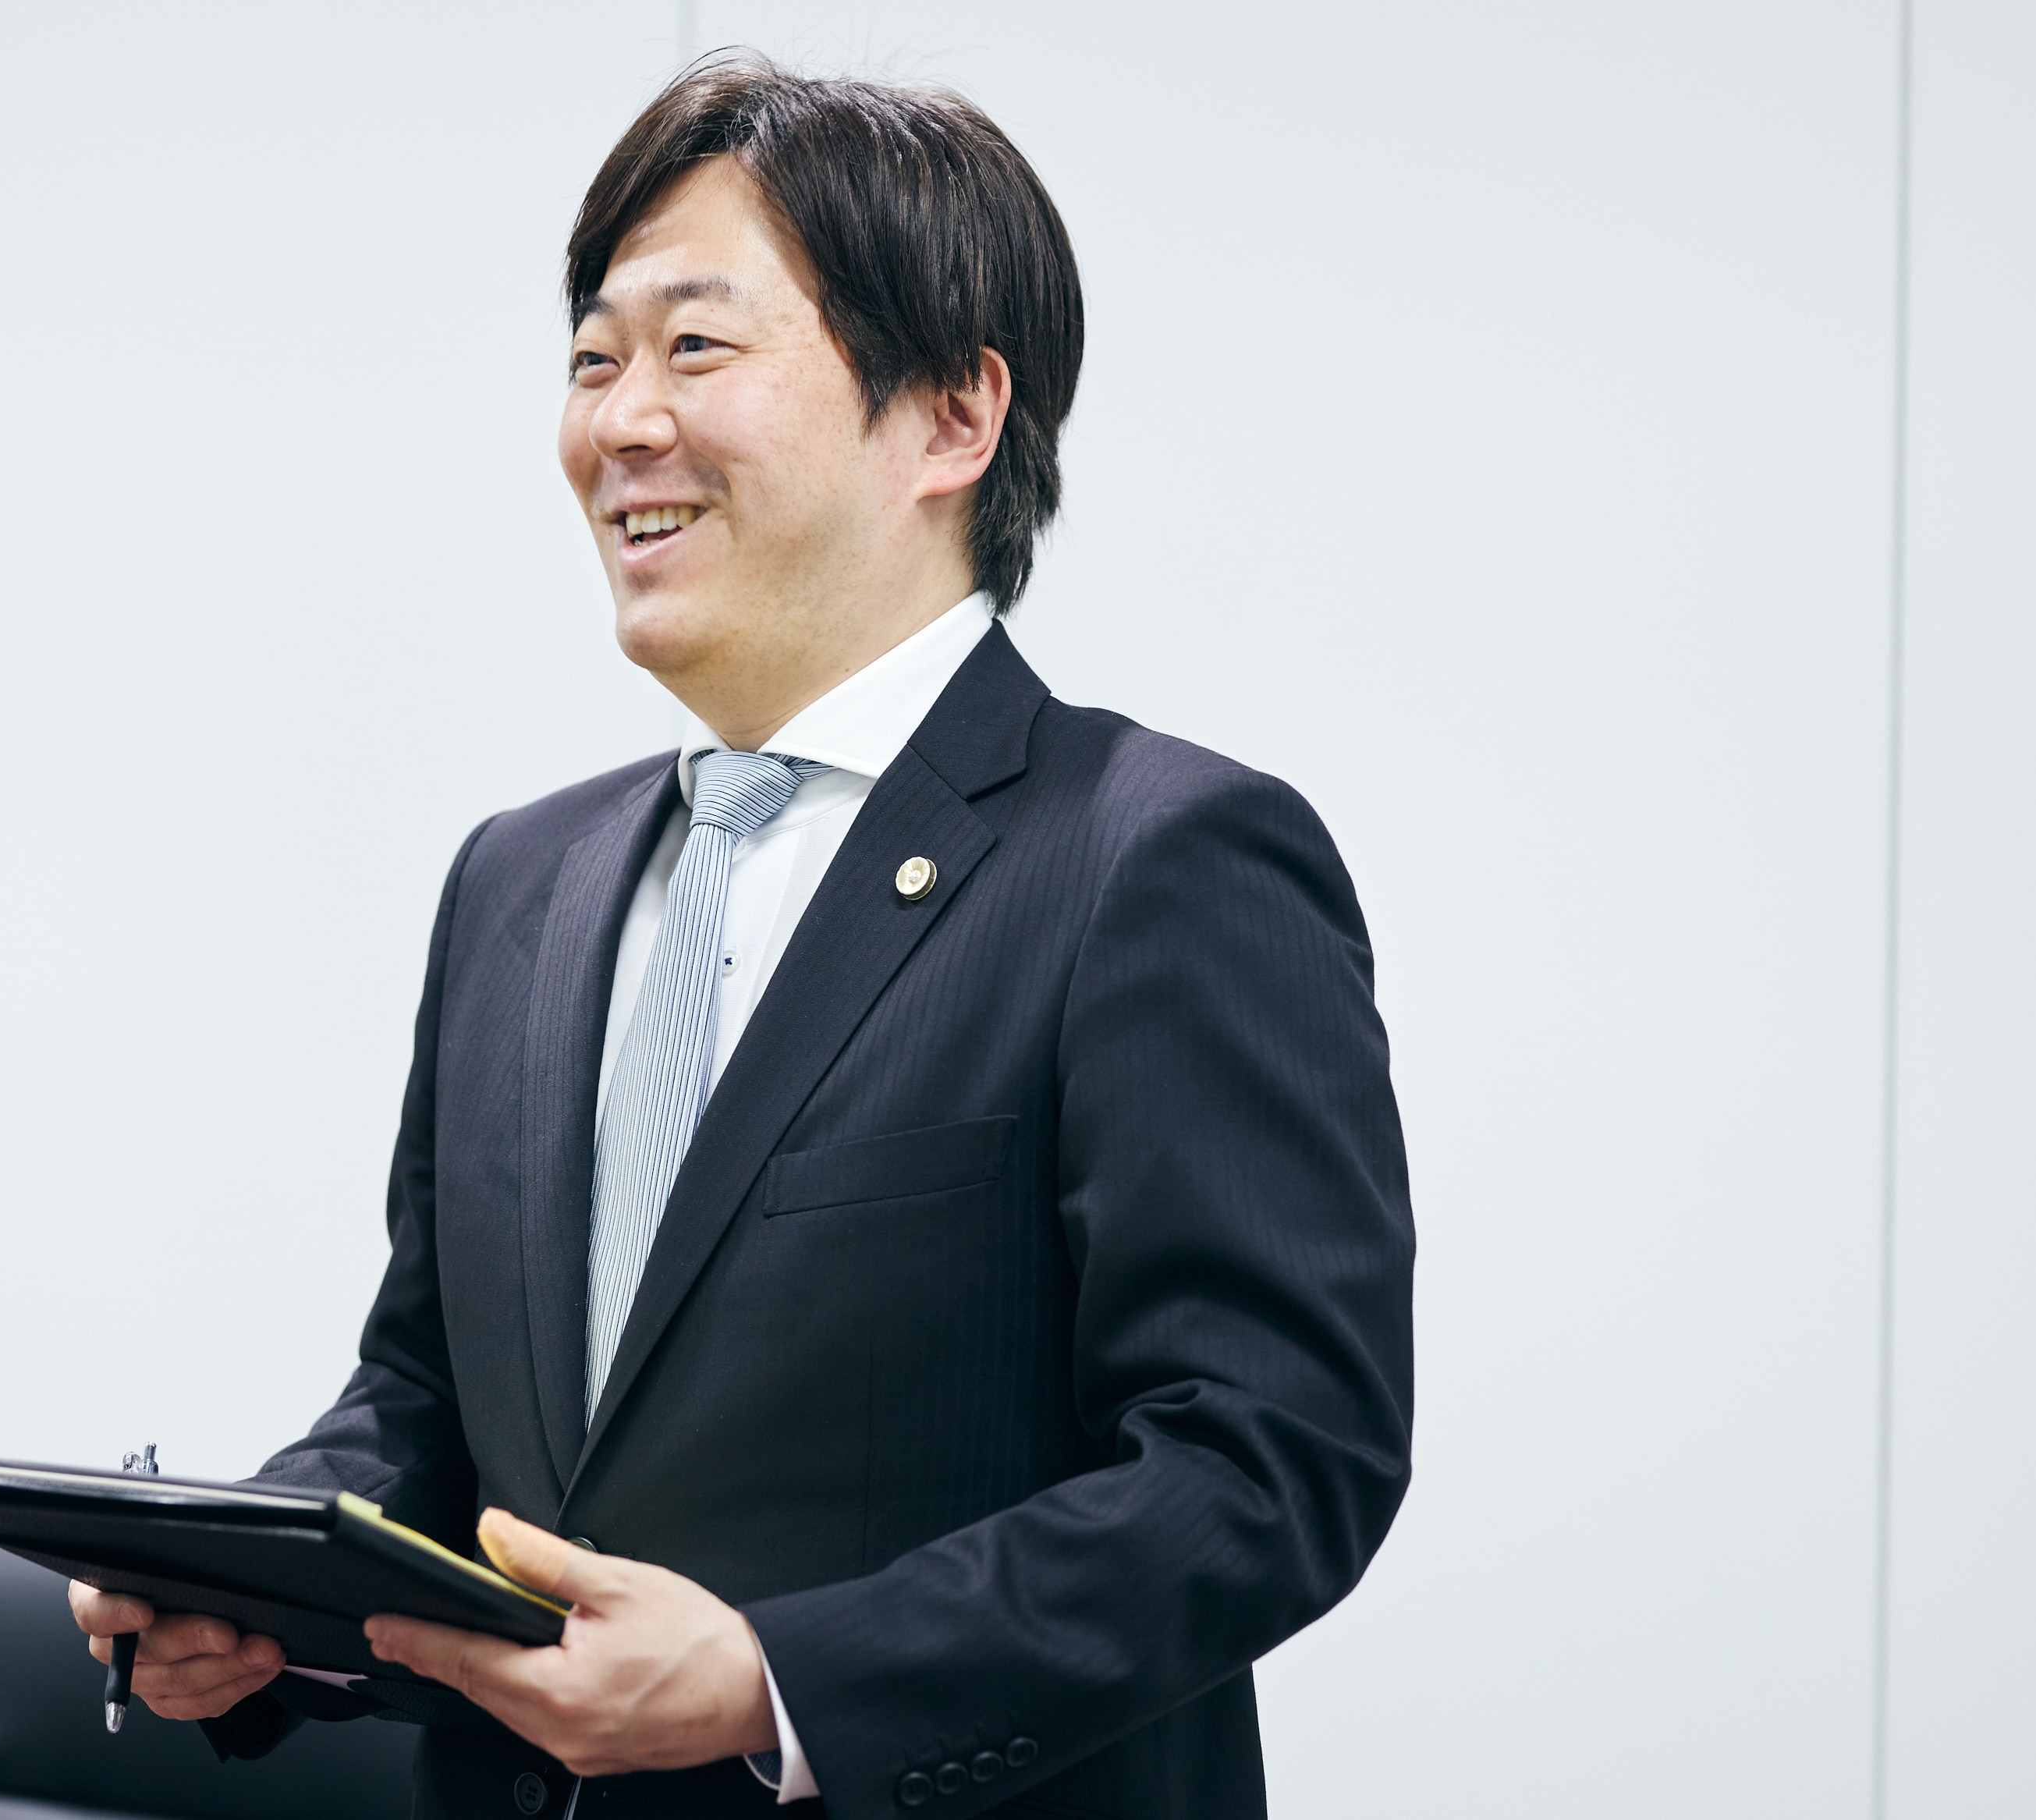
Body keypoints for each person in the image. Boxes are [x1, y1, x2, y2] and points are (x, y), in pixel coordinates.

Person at [70, 55, 1413, 1820]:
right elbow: (428, 1400)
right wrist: (258, 1583)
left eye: (695, 348)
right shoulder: (518, 883)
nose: (621, 424)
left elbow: (1266, 1464)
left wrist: (786, 1684)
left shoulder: (1156, 858)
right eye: (592, 360)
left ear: (952, 416)